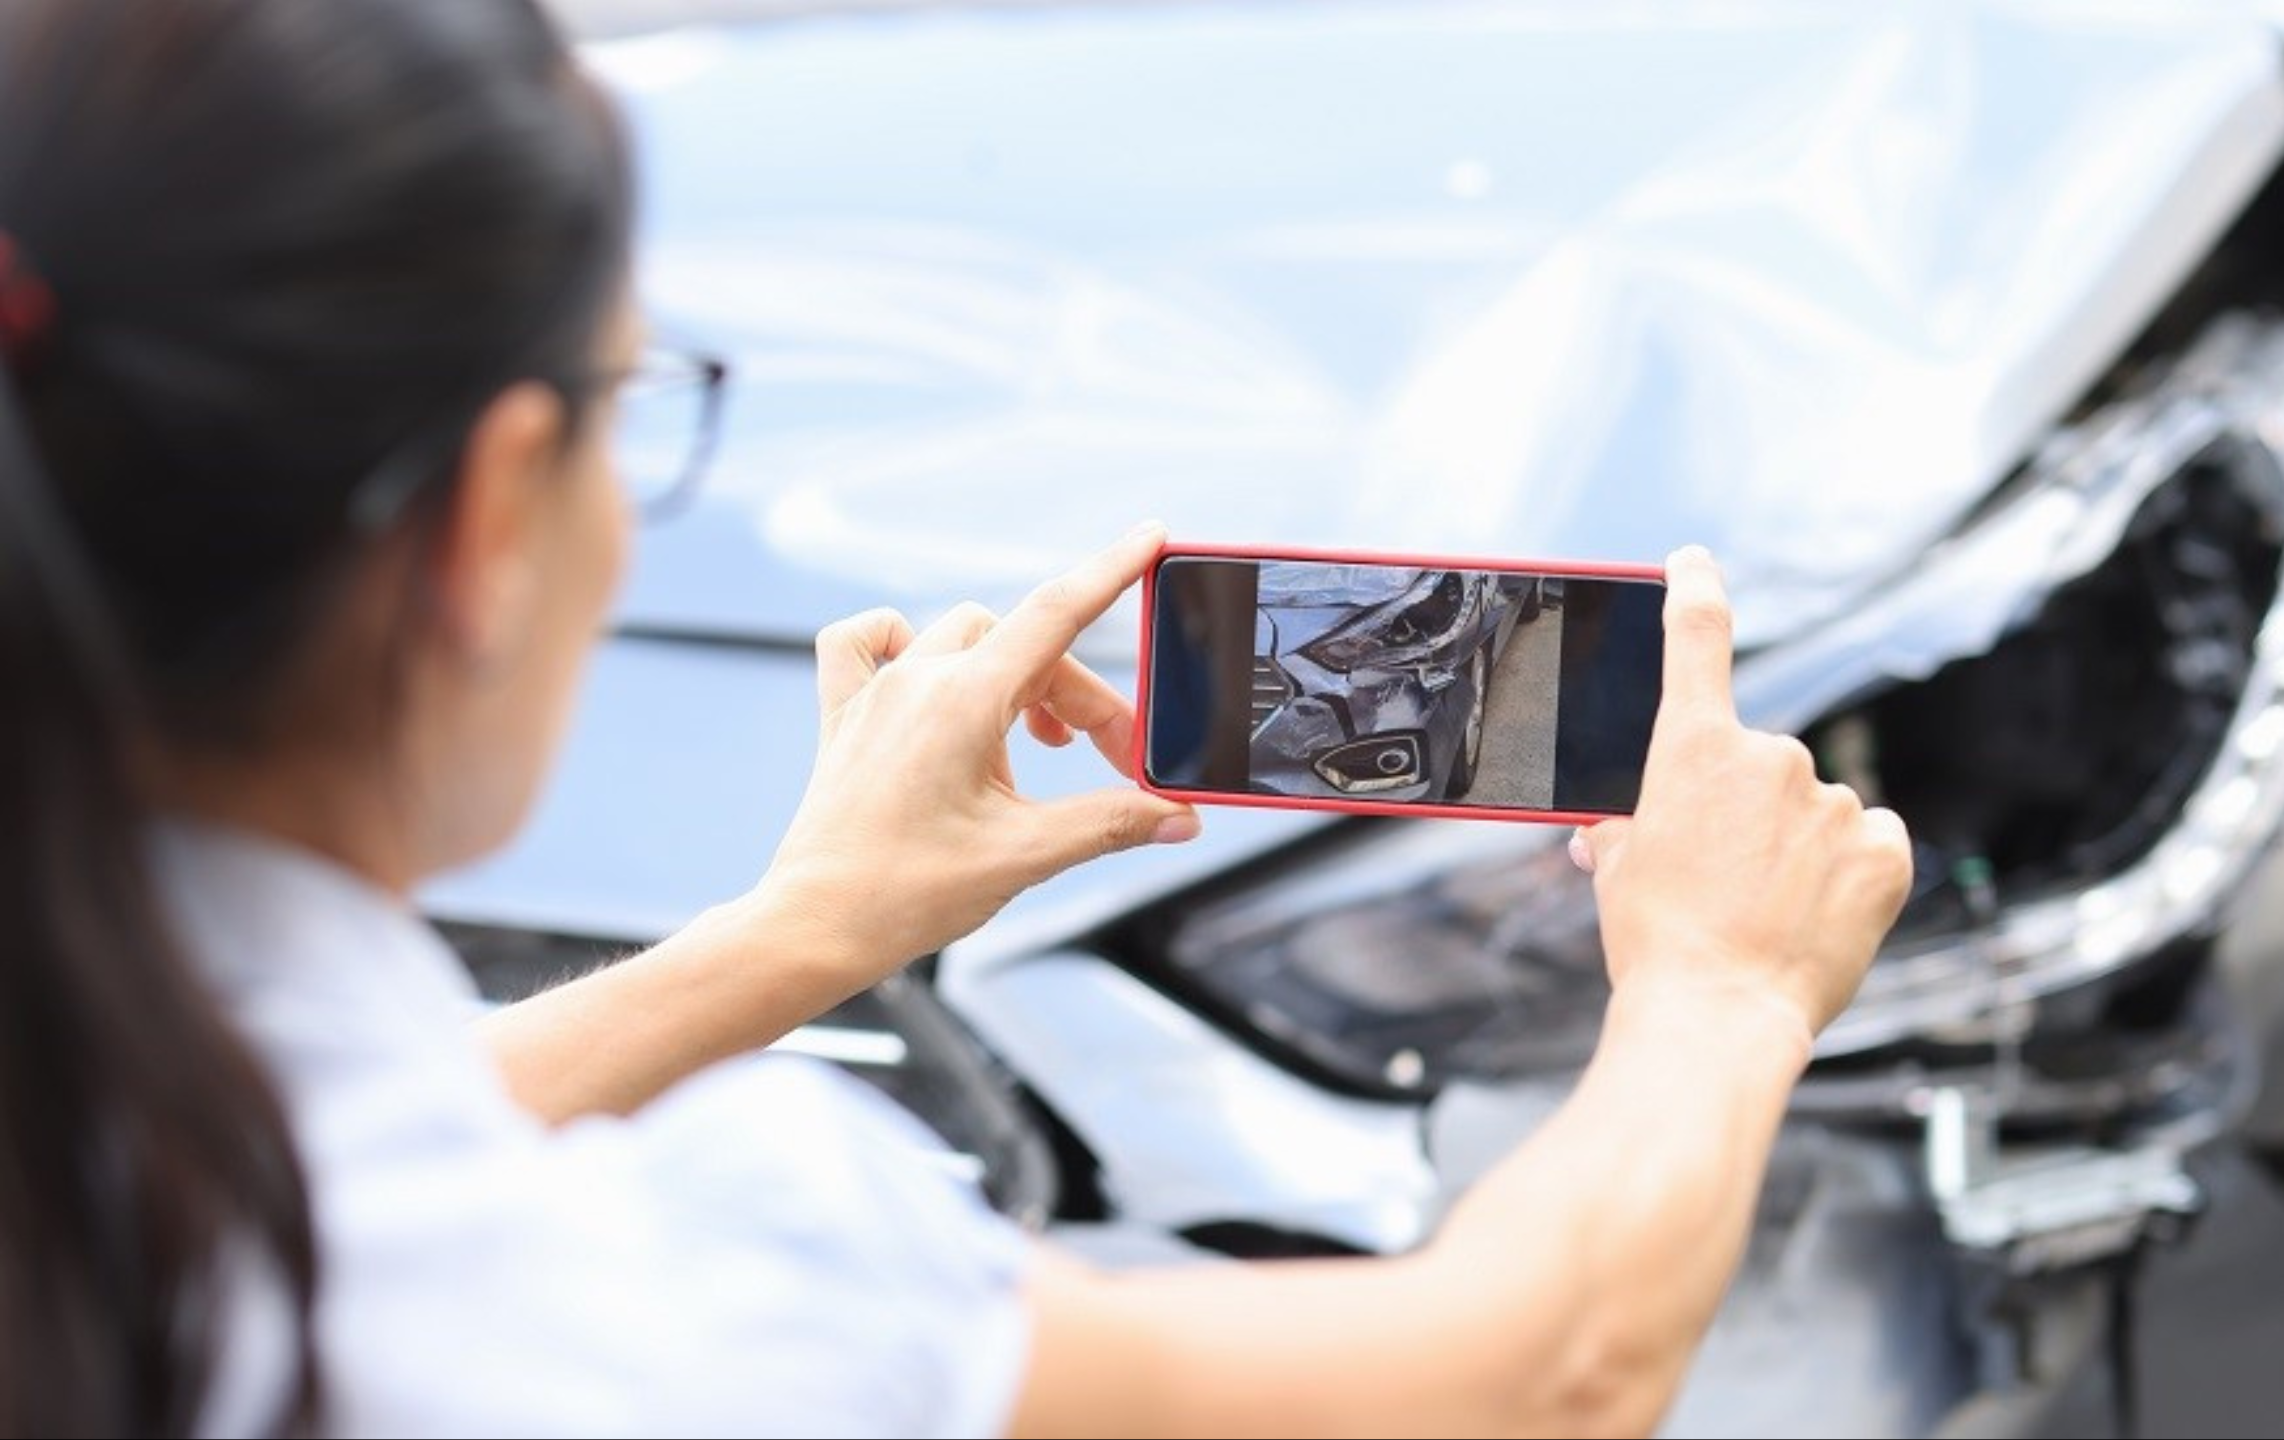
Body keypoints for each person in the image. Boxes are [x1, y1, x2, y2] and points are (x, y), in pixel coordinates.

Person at [0, 2, 1913, 1435]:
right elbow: (1535, 1373)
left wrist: (801, 934)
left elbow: (295, 1157)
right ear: (491, 517)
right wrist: (1722, 988)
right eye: (633, 396)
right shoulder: (671, 1291)